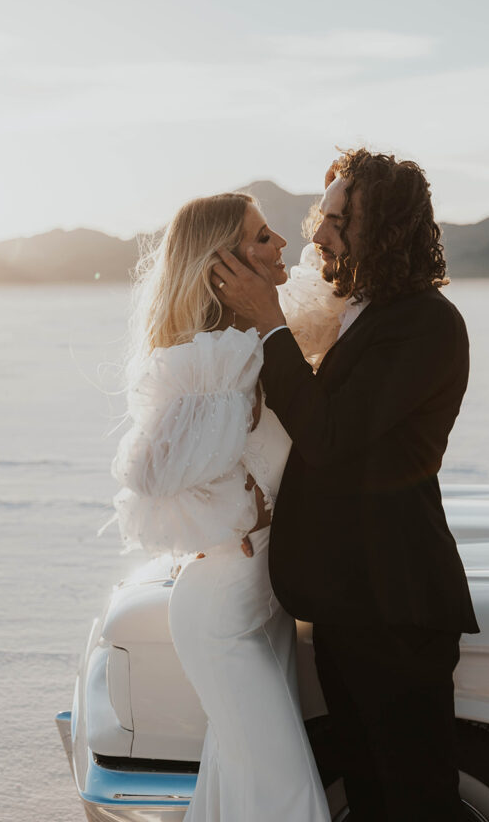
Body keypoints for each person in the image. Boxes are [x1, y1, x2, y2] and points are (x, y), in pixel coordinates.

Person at [212, 149, 479, 822]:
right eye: (320, 215)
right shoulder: (354, 312)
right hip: (346, 600)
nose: (317, 234)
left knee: (417, 801)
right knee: (366, 792)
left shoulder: (424, 324)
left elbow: (328, 437)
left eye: (338, 220)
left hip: (395, 605)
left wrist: (269, 321)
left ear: (384, 228)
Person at [111, 192, 336, 822]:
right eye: (263, 237)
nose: (282, 244)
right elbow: (149, 473)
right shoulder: (208, 362)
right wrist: (230, 389)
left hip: (267, 593)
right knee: (282, 788)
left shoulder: (270, 333)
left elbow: (333, 307)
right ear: (224, 265)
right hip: (219, 608)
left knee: (239, 781)